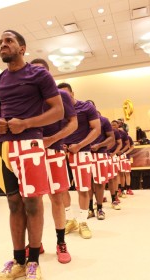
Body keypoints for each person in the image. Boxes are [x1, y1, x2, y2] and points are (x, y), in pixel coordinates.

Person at [0, 30, 64, 280]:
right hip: (4, 148)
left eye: (8, 41)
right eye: (0, 42)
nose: (3, 45)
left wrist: (27, 123)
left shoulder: (39, 74)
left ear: (22, 47)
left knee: (33, 203)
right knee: (13, 204)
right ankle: (18, 261)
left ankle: (33, 262)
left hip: (31, 145)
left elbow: (58, 110)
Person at [25, 58, 78, 264]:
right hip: (31, 153)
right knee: (34, 202)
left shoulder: (61, 95)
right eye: (33, 71)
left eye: (41, 72)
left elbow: (73, 124)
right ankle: (36, 244)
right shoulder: (26, 96)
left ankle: (61, 242)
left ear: (48, 74)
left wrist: (52, 140)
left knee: (57, 199)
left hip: (54, 152)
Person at [57, 83, 101, 239]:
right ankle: (70, 219)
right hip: (61, 153)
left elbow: (97, 129)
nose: (63, 99)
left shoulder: (86, 107)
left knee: (83, 188)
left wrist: (80, 145)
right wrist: (59, 142)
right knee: (61, 188)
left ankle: (83, 221)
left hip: (82, 152)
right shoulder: (57, 109)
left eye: (66, 95)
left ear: (73, 93)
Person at [88, 111, 115, 220]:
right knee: (87, 183)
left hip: (100, 154)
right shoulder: (82, 120)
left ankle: (99, 208)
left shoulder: (103, 120)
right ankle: (89, 209)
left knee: (100, 182)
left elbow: (111, 137)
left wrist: (100, 145)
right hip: (85, 154)